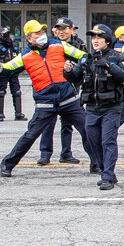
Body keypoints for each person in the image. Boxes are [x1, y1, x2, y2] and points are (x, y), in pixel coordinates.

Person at [0, 20, 92, 177]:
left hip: (68, 99)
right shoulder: (25, 56)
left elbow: (83, 56)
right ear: (29, 38)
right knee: (30, 135)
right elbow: (6, 68)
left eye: (42, 32)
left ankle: (97, 163)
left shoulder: (58, 45)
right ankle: (7, 164)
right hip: (45, 103)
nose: (41, 35)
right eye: (37, 33)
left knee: (88, 130)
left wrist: (78, 67)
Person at [81, 24, 124, 190]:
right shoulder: (89, 57)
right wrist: (68, 71)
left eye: (99, 37)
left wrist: (108, 65)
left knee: (107, 141)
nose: (95, 40)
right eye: (93, 37)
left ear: (108, 41)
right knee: (93, 140)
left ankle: (107, 177)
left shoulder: (118, 57)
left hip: (111, 107)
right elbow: (76, 76)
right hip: (92, 108)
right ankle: (107, 171)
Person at [38, 17, 83, 164]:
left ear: (72, 29)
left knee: (67, 124)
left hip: (71, 88)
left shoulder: (79, 44)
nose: (61, 31)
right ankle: (45, 154)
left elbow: (84, 63)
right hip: (52, 89)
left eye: (64, 28)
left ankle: (66, 153)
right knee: (48, 123)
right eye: (58, 28)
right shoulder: (49, 44)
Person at [0, 27, 26, 123]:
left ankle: (18, 114)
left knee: (17, 92)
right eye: (5, 34)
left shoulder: (14, 46)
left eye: (8, 34)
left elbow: (20, 59)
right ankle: (0, 115)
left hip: (13, 73)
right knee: (0, 93)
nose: (8, 37)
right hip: (2, 73)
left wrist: (19, 70)